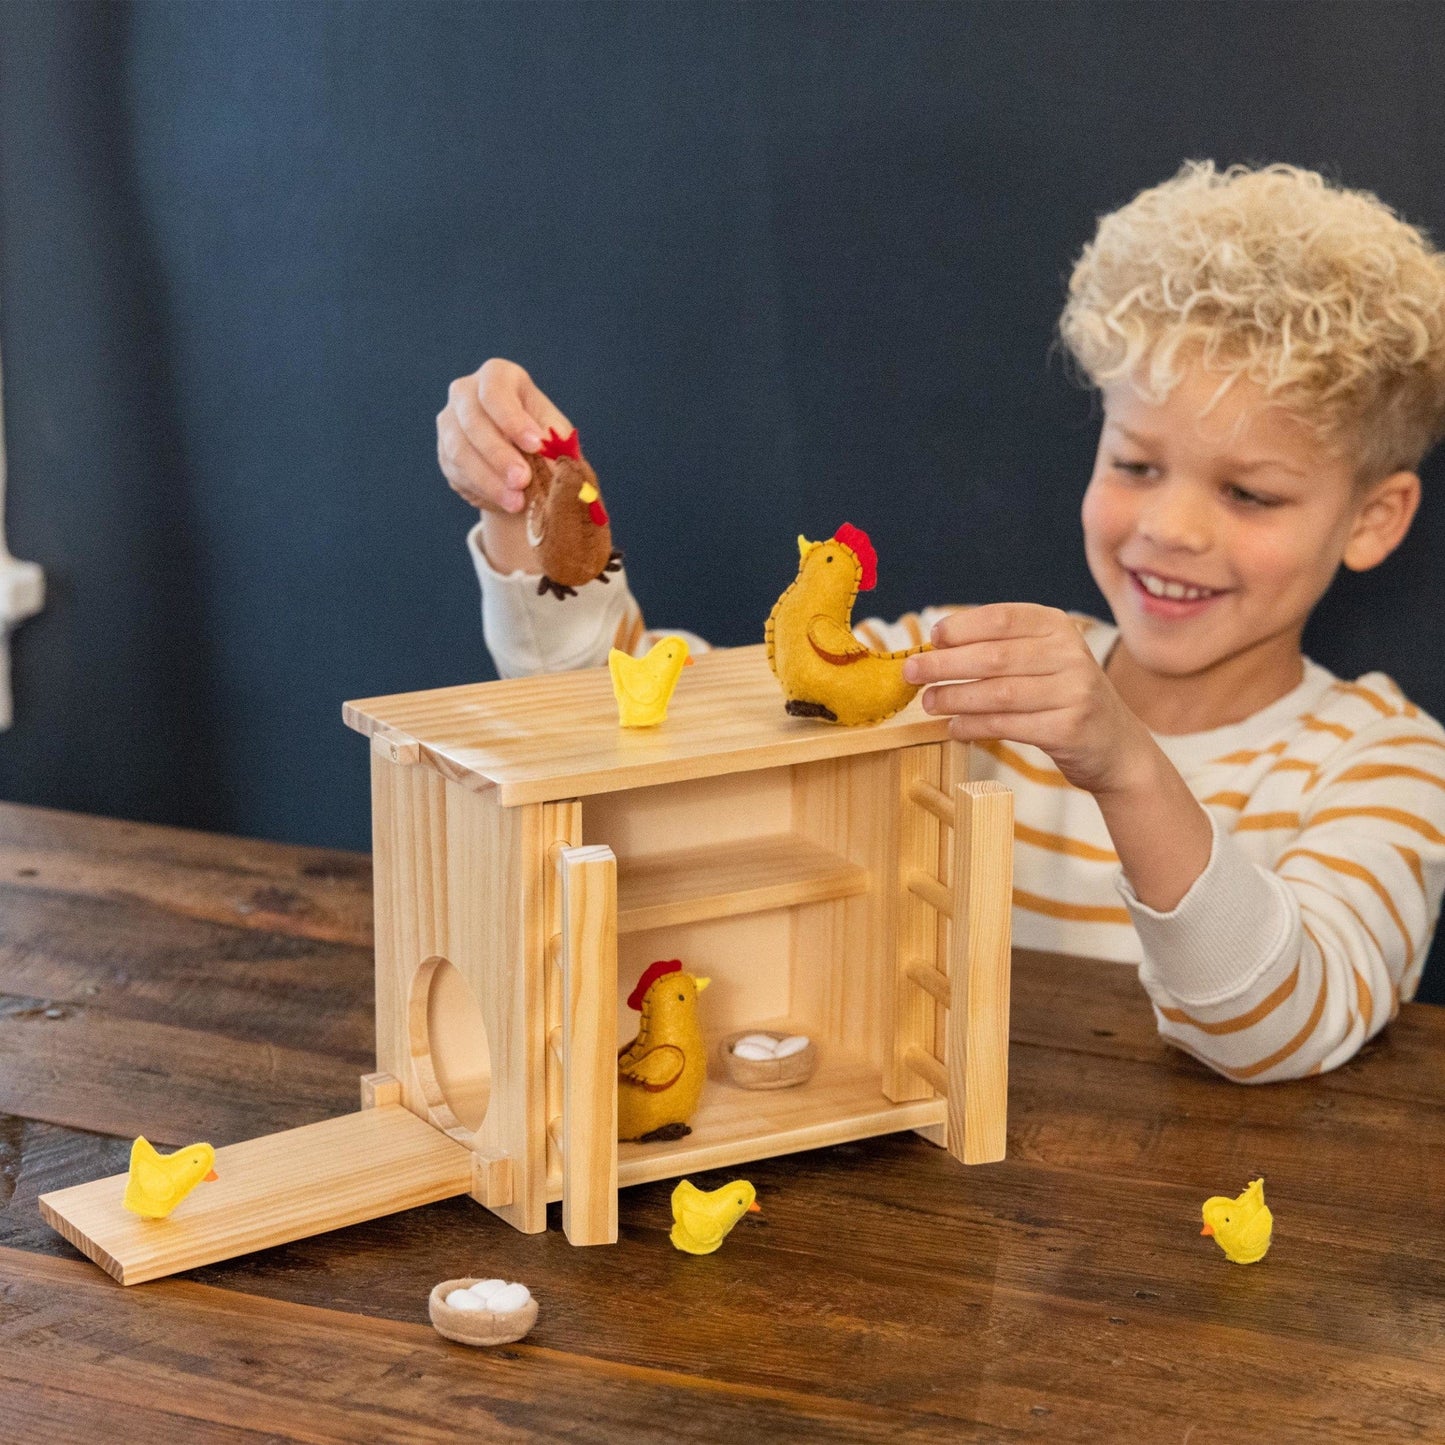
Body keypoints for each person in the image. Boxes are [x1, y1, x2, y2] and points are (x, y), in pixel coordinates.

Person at [436, 161, 1445, 1083]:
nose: (1170, 528)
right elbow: (639, 716)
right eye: (1136, 465)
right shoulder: (960, 668)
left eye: (1250, 494)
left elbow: (1277, 1026)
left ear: (1371, 517)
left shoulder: (1382, 762)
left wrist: (1123, 762)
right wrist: (528, 510)